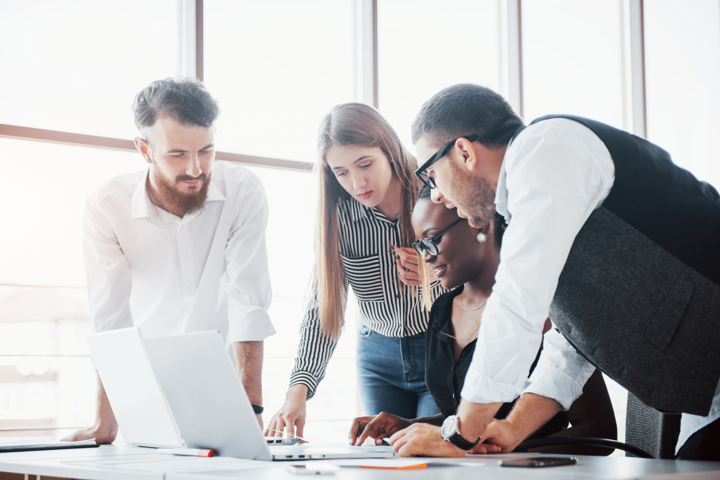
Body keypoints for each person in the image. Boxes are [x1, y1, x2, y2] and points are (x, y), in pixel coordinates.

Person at [387, 84, 720, 460]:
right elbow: (575, 338)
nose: (436, 195)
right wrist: (512, 427)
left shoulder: (544, 150)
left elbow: (516, 306)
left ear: (464, 152)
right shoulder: (529, 205)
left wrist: (460, 435)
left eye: (432, 175)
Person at [65, 78, 275, 444]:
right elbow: (111, 320)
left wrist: (251, 407)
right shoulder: (107, 206)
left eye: (206, 151)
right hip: (145, 391)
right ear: (144, 149)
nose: (195, 169)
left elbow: (249, 302)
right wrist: (105, 421)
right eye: (177, 154)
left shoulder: (243, 191)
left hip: (224, 387)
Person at [349, 186, 617, 455]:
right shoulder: (442, 310)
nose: (426, 256)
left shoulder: (541, 308)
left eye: (433, 239)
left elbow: (600, 430)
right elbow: (466, 425)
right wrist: (408, 426)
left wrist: (503, 451)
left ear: (481, 224)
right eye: (420, 245)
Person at [265, 103, 444, 439]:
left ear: (389, 151)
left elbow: (485, 289)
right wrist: (297, 390)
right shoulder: (341, 218)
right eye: (341, 172)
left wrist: (434, 279)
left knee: (427, 458)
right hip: (378, 360)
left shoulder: (436, 195)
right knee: (382, 462)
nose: (357, 182)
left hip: (441, 352)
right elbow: (324, 308)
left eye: (365, 164)